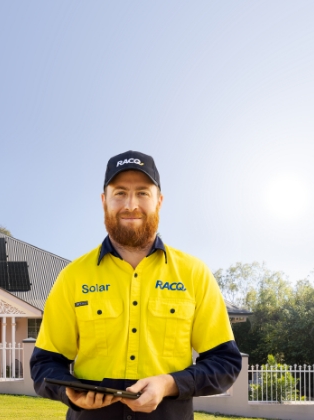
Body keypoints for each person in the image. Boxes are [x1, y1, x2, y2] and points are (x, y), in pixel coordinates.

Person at [30, 150, 242, 419]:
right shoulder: (72, 277)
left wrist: (168, 384)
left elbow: (225, 363)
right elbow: (45, 363)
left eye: (142, 192)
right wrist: (68, 392)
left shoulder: (194, 274)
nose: (131, 204)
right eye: (119, 193)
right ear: (104, 200)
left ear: (159, 201)